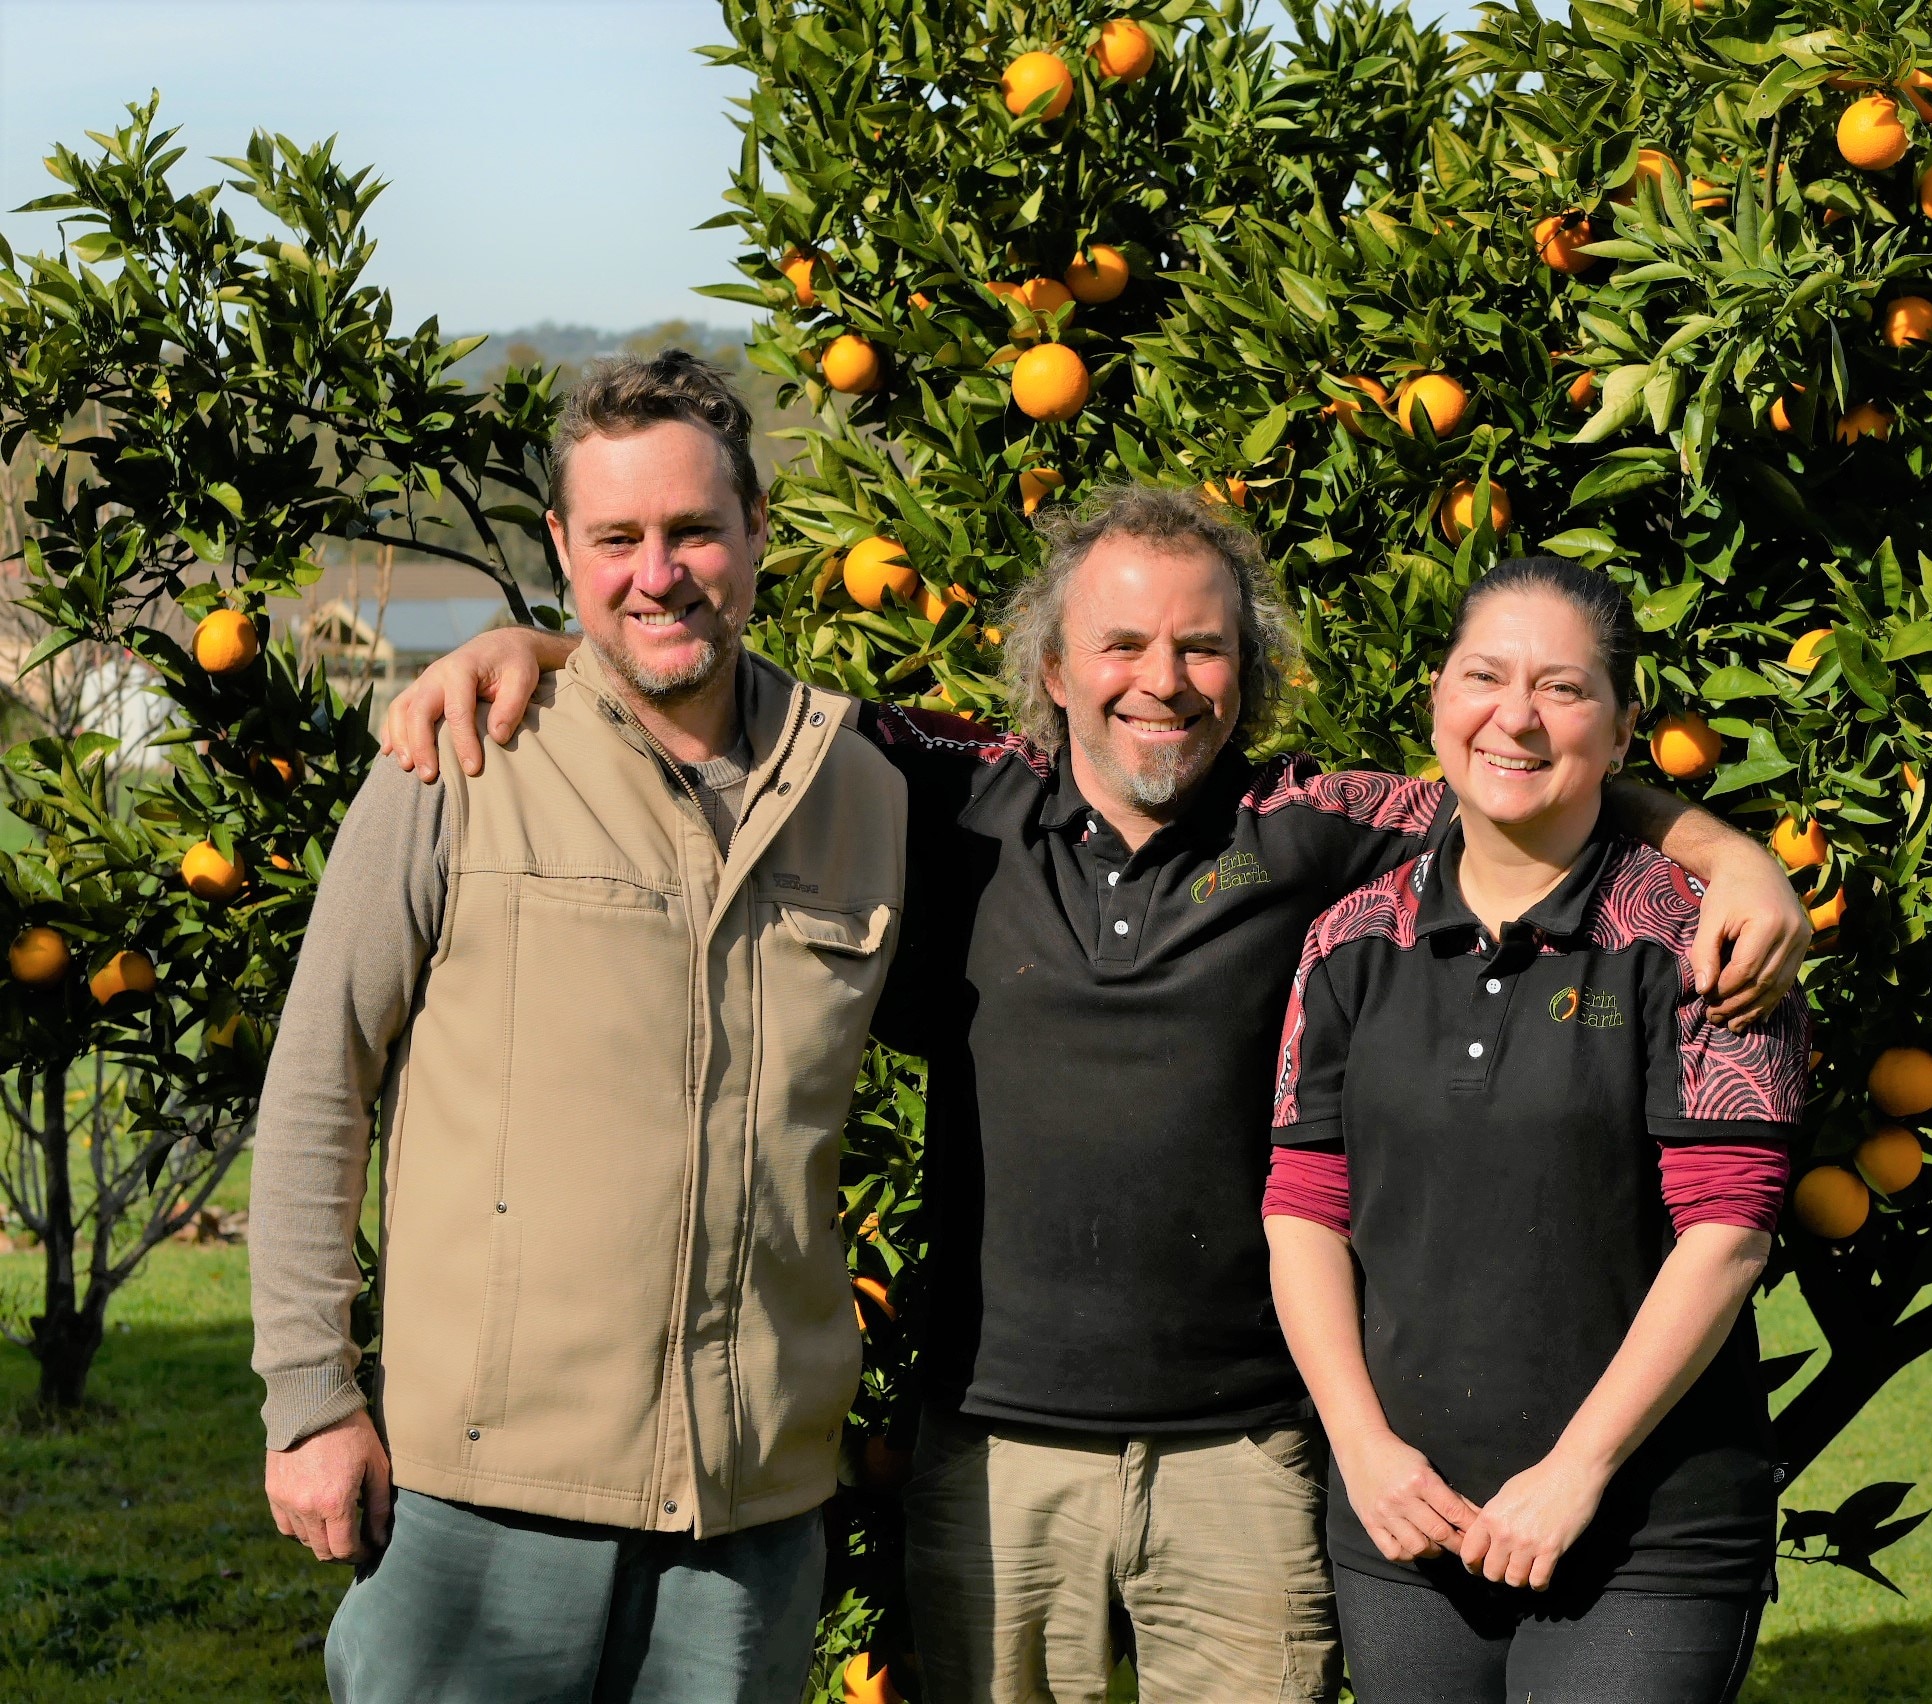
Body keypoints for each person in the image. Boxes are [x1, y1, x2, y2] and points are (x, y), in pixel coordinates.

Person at [382, 486, 1809, 1704]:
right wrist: (537, 647)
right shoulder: (947, 790)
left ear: (1244, 672)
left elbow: (1525, 770)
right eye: (1119, 644)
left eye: (1202, 647)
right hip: (993, 1445)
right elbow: (722, 700)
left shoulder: (1312, 826)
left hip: (1244, 1455)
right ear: (1053, 668)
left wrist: (1731, 860)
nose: (1161, 680)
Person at [250, 351, 907, 1703]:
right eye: (616, 539)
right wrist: (310, 1398)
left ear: (757, 534)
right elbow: (321, 1080)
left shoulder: (865, 795)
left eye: (691, 533)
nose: (656, 573)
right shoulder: (459, 758)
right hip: (479, 1499)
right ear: (562, 547)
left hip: (747, 1514)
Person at [1264, 556, 1807, 1704]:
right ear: (1436, 699)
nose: (1515, 716)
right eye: (1484, 676)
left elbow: (1731, 1233)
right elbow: (1303, 1209)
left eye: (1563, 689)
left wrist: (1576, 1470)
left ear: (1621, 736)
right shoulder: (1349, 943)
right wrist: (1362, 1451)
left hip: (1641, 1535)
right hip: (1406, 1525)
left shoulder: (1700, 942)